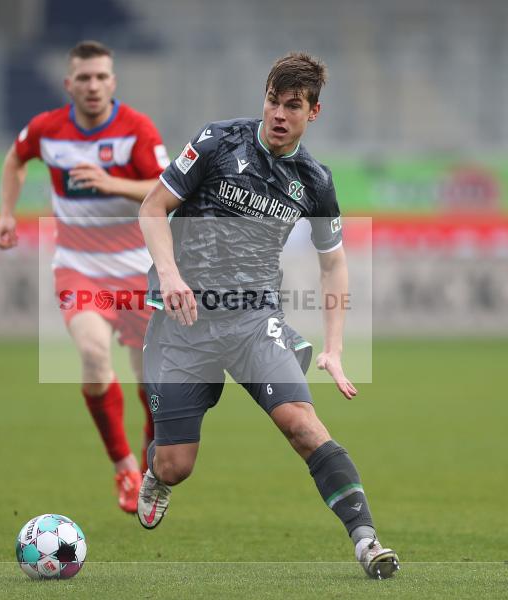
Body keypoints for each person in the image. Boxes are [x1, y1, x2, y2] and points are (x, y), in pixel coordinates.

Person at [136, 53, 400, 578]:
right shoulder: (217, 142)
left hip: (255, 320)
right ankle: (157, 473)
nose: (279, 114)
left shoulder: (314, 181)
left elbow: (334, 264)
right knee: (176, 464)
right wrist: (169, 274)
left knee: (302, 425)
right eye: (273, 101)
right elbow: (151, 208)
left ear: (313, 112)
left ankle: (367, 541)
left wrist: (334, 347)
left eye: (293, 105)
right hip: (184, 323)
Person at [0, 40, 169, 513]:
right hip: (79, 267)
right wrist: (6, 214)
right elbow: (15, 159)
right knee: (93, 357)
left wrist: (113, 183)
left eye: (101, 77)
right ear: (69, 84)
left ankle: (153, 469)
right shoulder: (47, 129)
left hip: (137, 271)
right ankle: (124, 467)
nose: (92, 86)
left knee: (152, 383)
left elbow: (167, 189)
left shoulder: (136, 130)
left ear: (113, 82)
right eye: (83, 78)